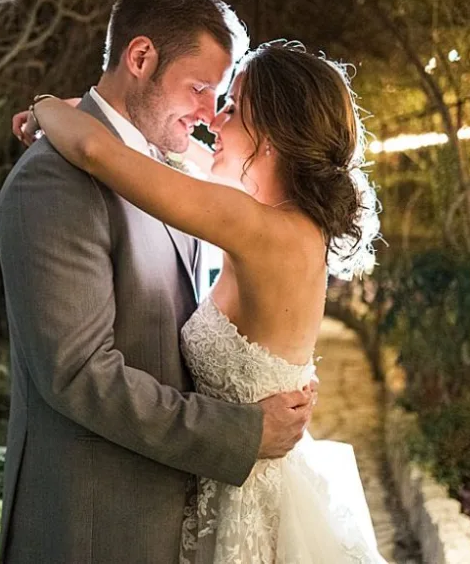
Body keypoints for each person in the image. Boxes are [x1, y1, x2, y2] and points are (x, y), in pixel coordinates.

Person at [0, 0, 315, 564]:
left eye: (222, 99)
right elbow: (80, 375)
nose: (207, 115)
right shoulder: (53, 182)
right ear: (140, 57)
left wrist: (51, 107)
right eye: (198, 89)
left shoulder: (171, 172)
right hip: (96, 533)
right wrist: (240, 434)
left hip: (179, 522)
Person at [21, 39, 384, 563]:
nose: (214, 119)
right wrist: (90, 112)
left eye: (233, 106)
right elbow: (172, 152)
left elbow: (101, 154)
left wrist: (44, 108)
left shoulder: (252, 224)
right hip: (244, 481)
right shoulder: (289, 224)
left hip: (245, 503)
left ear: (275, 134)